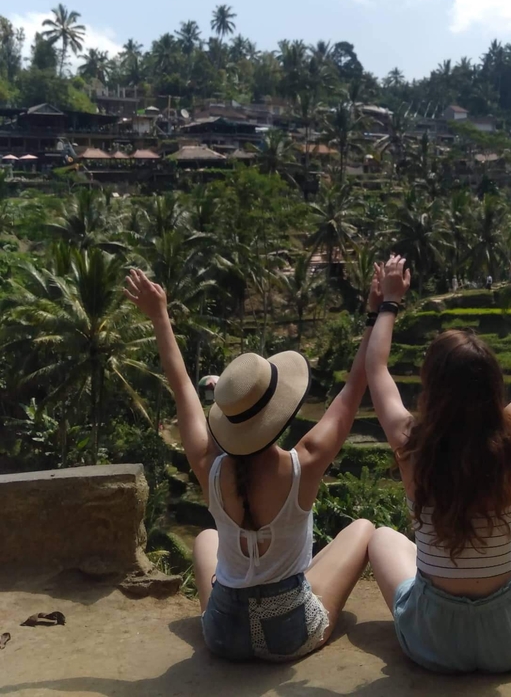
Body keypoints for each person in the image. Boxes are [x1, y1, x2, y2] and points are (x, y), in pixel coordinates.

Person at [124, 267, 380, 662]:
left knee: (207, 538)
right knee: (363, 529)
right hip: (287, 634)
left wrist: (160, 317)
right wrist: (377, 313)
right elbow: (355, 386)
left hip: (223, 634)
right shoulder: (305, 463)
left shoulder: (208, 466)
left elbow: (181, 389)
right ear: (280, 412)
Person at [365, 245, 511, 674]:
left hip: (431, 643)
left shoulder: (411, 444)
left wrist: (388, 303)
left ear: (431, 386)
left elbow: (376, 369)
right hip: (510, 641)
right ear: (493, 385)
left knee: (383, 536)